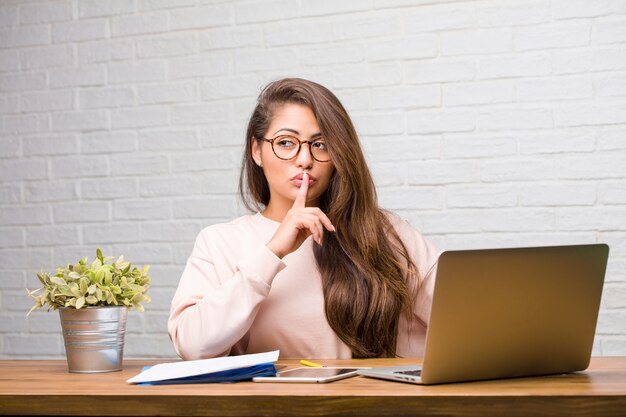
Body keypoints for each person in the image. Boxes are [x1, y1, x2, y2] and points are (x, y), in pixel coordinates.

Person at [168, 78, 441, 360]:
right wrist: (273, 253)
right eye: (286, 143)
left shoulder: (382, 231)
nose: (304, 159)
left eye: (320, 145)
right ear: (256, 150)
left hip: (371, 400)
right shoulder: (221, 242)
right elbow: (192, 346)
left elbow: (459, 315)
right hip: (271, 403)